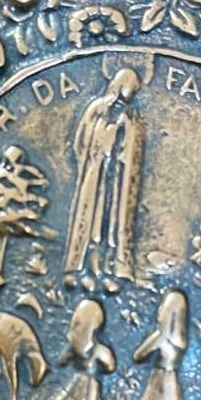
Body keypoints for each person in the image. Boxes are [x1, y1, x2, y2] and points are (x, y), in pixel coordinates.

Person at [63, 69, 143, 288]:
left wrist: (121, 143)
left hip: (116, 179)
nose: (133, 91)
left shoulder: (129, 115)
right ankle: (82, 268)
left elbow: (133, 148)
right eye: (131, 86)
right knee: (90, 222)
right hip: (95, 174)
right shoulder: (98, 108)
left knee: (111, 226)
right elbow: (81, 140)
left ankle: (106, 269)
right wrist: (98, 151)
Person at [33, 299, 115, 400]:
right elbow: (110, 366)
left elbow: (62, 361)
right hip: (86, 385)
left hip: (81, 385)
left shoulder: (85, 349)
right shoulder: (99, 350)